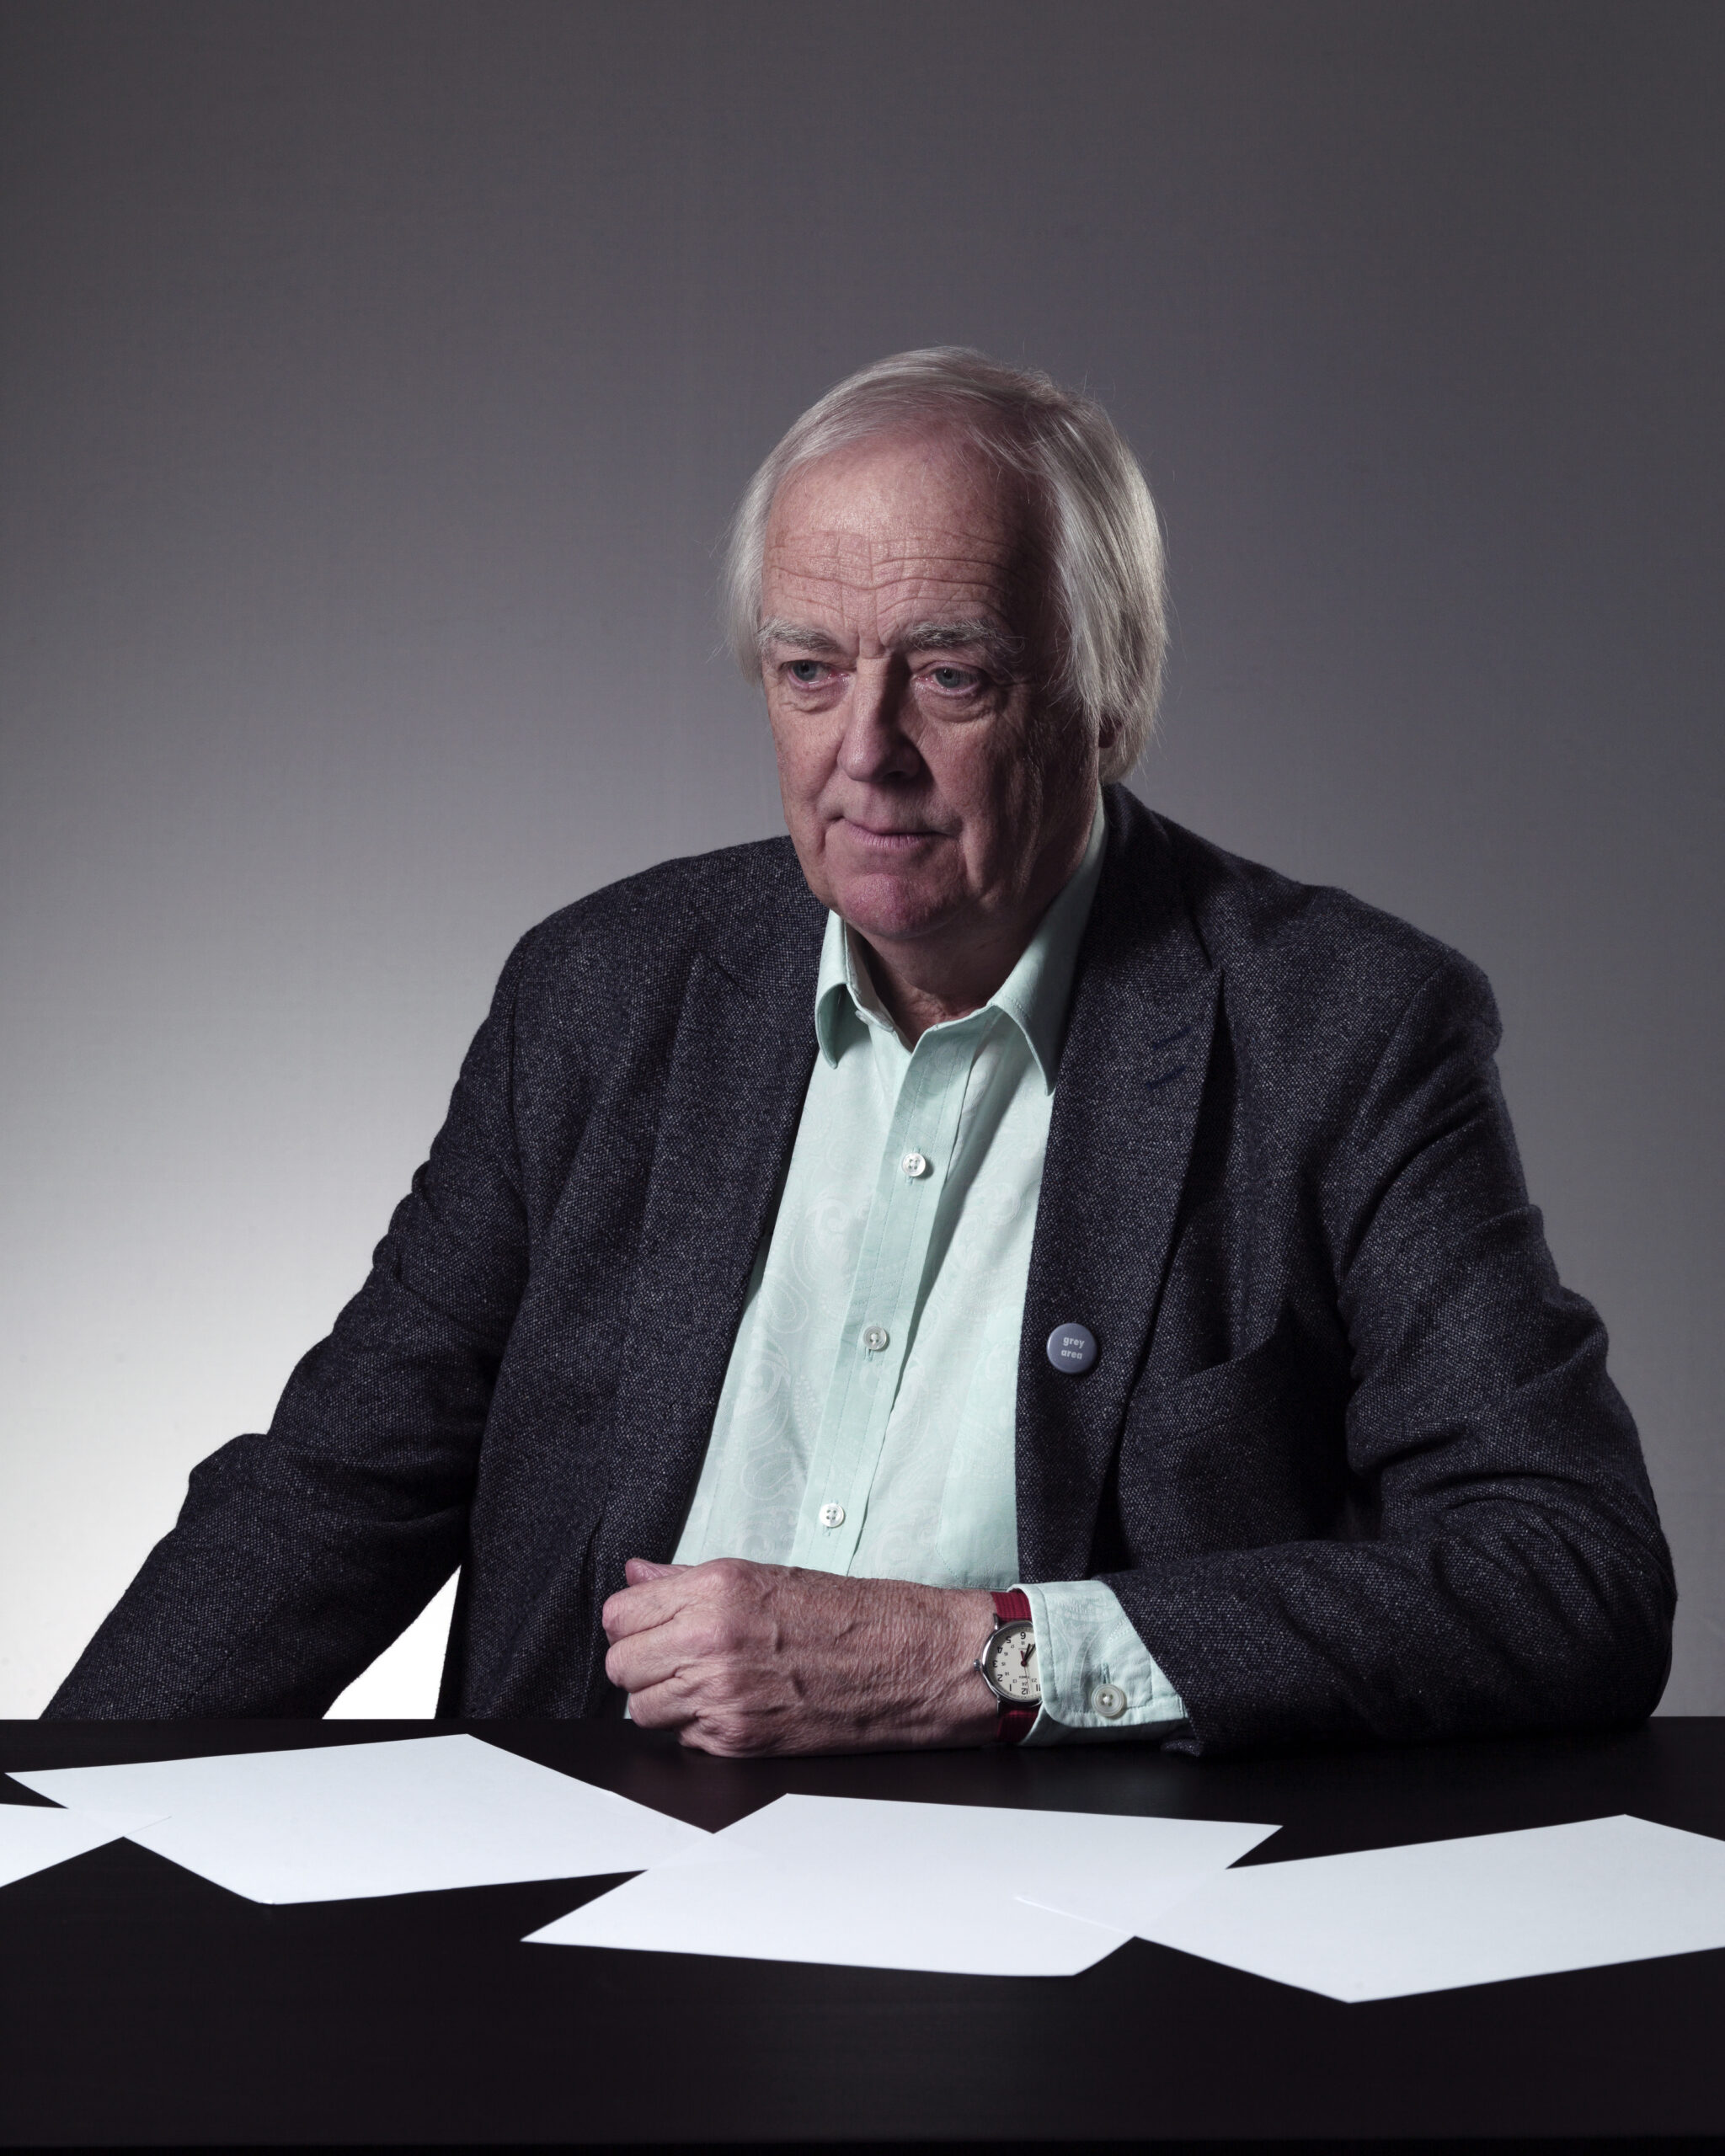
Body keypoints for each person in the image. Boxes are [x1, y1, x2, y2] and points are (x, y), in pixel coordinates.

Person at [48, 348, 1674, 1755]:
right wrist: (52, 1827)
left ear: (1105, 699)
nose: (866, 753)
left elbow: (1567, 1573)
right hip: (584, 1911)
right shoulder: (603, 992)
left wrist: (996, 1658)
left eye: (949, 675)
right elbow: (335, 1489)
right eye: (810, 672)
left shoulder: (1345, 1028)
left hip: (1083, 1928)